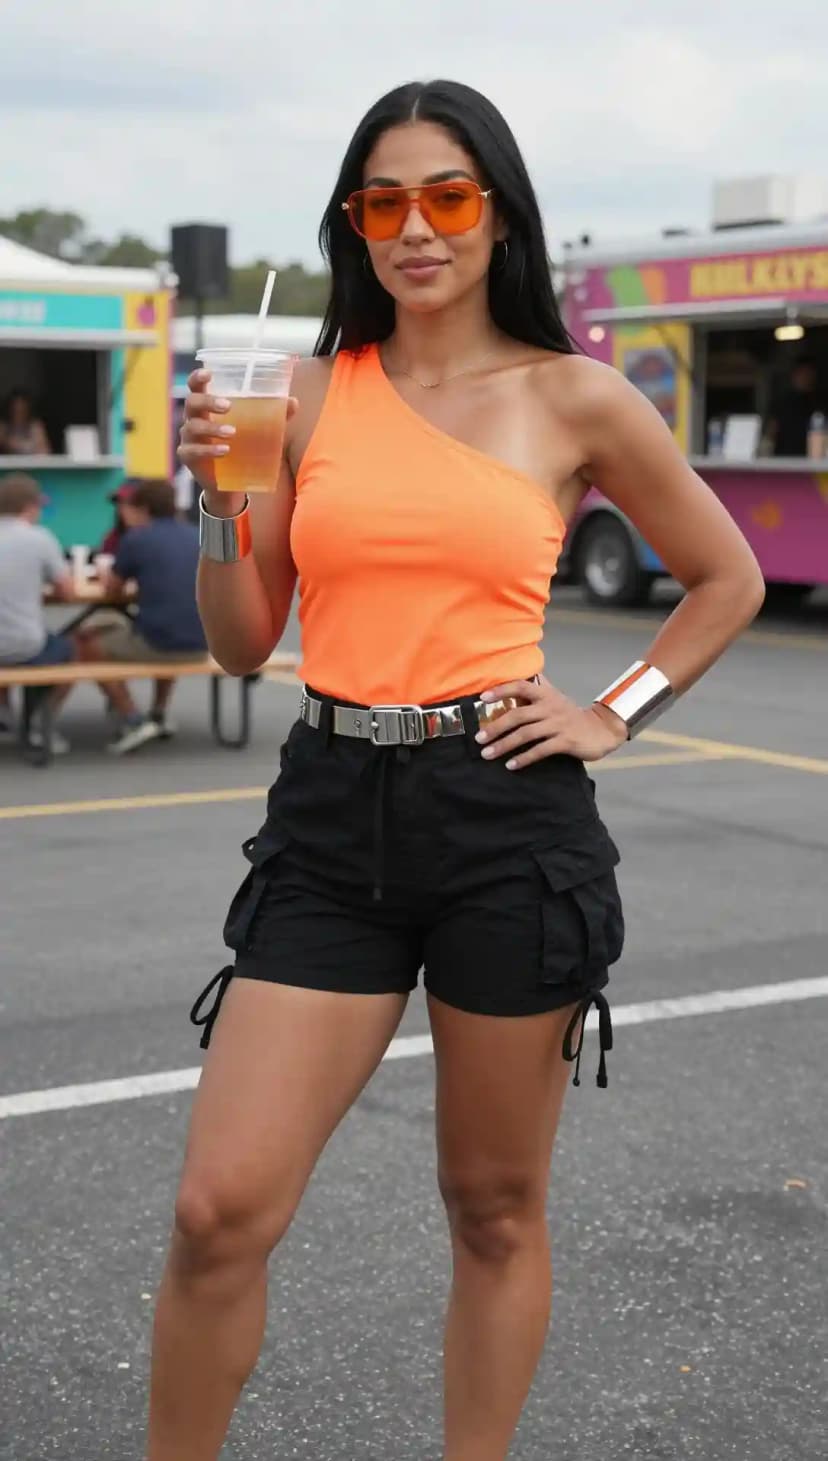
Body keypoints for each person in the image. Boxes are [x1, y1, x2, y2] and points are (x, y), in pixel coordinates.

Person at [154, 80, 765, 1461]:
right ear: (351, 224)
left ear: (499, 216)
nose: (415, 228)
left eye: (448, 197)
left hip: (505, 816)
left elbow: (722, 578)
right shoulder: (300, 388)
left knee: (492, 1206)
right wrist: (217, 495)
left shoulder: (575, 396)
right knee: (217, 1209)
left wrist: (617, 710)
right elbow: (245, 644)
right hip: (329, 814)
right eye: (384, 202)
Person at [78, 477, 207, 755]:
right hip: (204, 642)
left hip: (160, 643)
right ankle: (159, 712)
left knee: (84, 644)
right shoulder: (197, 535)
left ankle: (133, 719)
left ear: (143, 508)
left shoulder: (137, 538)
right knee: (166, 624)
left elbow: (112, 590)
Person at [0, 473, 76, 752]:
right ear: (29, 507)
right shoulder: (39, 539)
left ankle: (4, 713)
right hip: (25, 646)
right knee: (69, 650)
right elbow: (67, 593)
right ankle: (37, 723)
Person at [768, 356, 827, 457]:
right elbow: (771, 431)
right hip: (783, 459)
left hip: (813, 460)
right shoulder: (781, 402)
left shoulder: (821, 402)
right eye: (801, 373)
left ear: (814, 375)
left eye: (808, 373)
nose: (805, 377)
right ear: (793, 375)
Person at [0, 387, 51, 456]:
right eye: (15, 409)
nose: (18, 410)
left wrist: (19, 446)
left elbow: (45, 451)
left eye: (22, 409)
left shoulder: (35, 425)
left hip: (31, 464)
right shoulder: (3, 426)